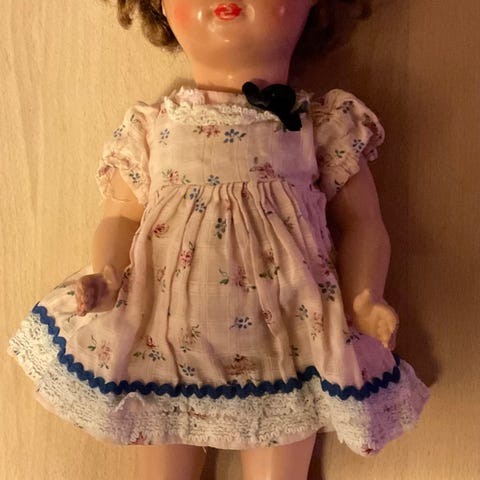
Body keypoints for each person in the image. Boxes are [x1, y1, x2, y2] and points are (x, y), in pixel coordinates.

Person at [7, 1, 429, 479]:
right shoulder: (153, 128)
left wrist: (365, 297)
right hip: (162, 338)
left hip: (288, 341)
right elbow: (122, 215)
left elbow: (363, 224)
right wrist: (107, 272)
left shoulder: (323, 126)